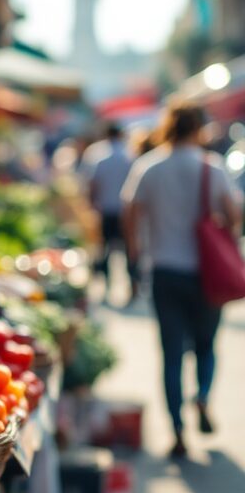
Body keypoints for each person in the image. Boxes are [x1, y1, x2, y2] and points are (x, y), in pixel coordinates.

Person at [122, 104, 243, 457]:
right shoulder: (211, 167)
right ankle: (203, 396)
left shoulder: (150, 167)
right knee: (206, 345)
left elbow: (130, 210)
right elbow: (234, 214)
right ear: (199, 129)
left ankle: (177, 431)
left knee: (171, 355)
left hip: (164, 271)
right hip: (207, 273)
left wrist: (135, 253)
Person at [81, 123, 138, 304]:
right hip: (125, 211)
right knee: (128, 250)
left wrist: (91, 205)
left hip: (105, 209)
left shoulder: (98, 155)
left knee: (105, 250)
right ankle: (133, 287)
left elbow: (92, 184)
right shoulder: (130, 155)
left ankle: (106, 287)